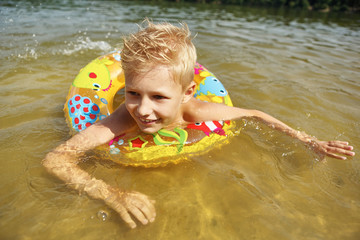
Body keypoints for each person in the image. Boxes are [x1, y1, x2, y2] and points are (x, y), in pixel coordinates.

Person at [42, 19, 355, 229]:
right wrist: (111, 193)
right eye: (133, 93)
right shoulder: (122, 118)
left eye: (159, 97)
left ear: (187, 92)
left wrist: (308, 140)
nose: (142, 109)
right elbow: (55, 159)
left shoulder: (196, 111)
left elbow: (256, 115)